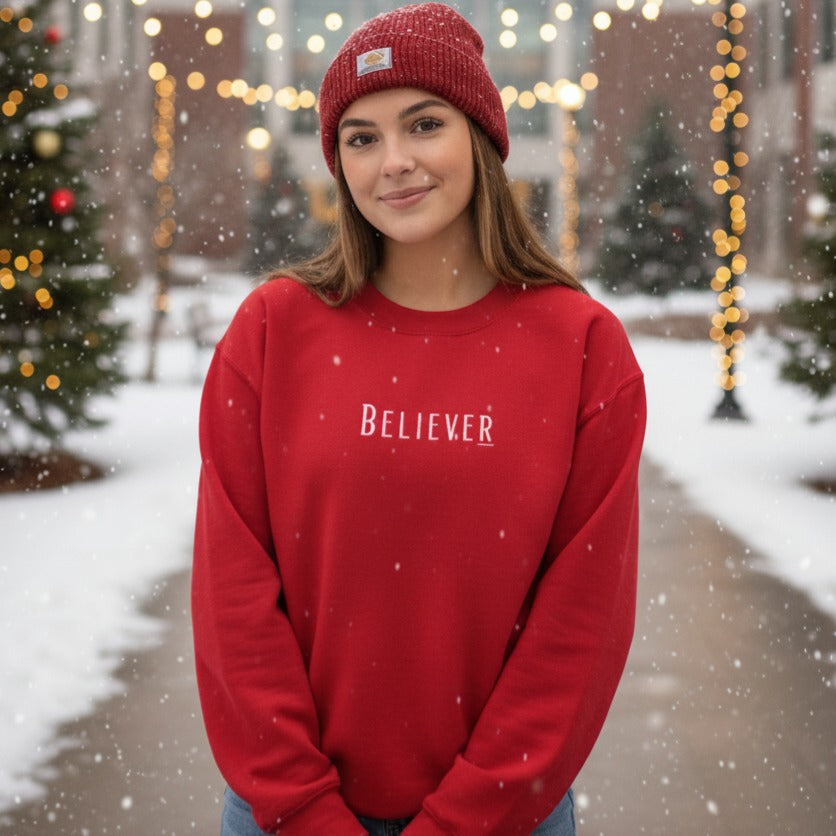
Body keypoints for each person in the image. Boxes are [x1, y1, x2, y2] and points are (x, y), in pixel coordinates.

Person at [192, 4, 646, 835]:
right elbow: (233, 600)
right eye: (360, 138)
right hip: (286, 815)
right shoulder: (273, 331)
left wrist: (470, 816)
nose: (394, 163)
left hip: (506, 816)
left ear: (481, 135)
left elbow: (581, 624)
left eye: (423, 124)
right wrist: (301, 806)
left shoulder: (581, 348)